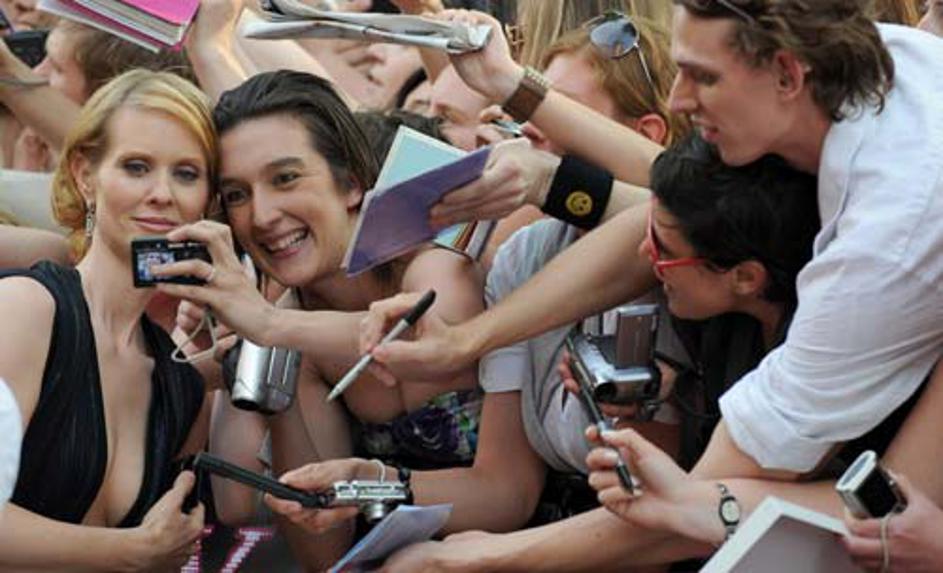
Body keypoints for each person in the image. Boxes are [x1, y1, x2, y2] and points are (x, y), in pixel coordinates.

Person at [360, 1, 943, 567]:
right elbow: (669, 202)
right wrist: (466, 340)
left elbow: (690, 510)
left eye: (702, 77)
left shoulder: (887, 249)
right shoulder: (873, 66)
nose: (677, 99)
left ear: (787, 74)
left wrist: (472, 560)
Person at [152, 70, 483, 569]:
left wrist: (268, 324)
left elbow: (432, 336)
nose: (262, 216)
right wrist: (262, 372)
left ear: (350, 183)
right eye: (237, 195)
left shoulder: (430, 258)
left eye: (285, 178)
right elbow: (320, 550)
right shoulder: (285, 326)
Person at [0, 69, 213, 570]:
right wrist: (132, 551)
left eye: (186, 173)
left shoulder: (181, 384)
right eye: (137, 167)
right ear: (85, 175)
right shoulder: (26, 310)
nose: (162, 193)